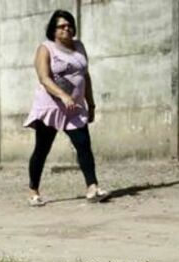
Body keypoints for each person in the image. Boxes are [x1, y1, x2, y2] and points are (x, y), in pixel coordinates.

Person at [23, 9, 108, 206]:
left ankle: (92, 188)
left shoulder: (79, 47)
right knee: (42, 149)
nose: (67, 28)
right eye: (62, 26)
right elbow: (44, 78)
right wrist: (63, 95)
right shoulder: (46, 48)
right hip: (51, 106)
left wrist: (91, 104)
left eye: (69, 25)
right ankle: (33, 190)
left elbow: (85, 76)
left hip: (75, 107)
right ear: (53, 30)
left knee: (84, 146)